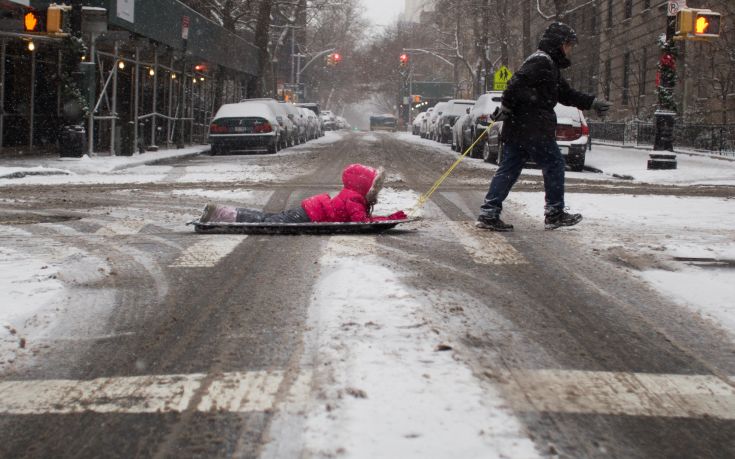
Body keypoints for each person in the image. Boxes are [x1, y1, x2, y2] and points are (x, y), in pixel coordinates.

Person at [476, 22, 611, 231]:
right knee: (555, 164)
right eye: (568, 45)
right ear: (559, 44)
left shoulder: (547, 64)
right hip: (534, 127)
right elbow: (515, 84)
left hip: (519, 127)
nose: (569, 50)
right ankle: (554, 213)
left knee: (509, 169)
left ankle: (489, 212)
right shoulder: (541, 62)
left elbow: (565, 94)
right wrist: (507, 106)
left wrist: (592, 103)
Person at [198, 163, 407, 224]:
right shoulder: (354, 199)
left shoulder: (354, 196)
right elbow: (362, 221)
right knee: (267, 221)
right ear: (364, 187)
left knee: (269, 218)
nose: (376, 192)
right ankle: (223, 213)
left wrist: (389, 217)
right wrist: (389, 219)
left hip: (310, 211)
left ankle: (223, 212)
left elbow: (363, 218)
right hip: (309, 215)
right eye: (374, 187)